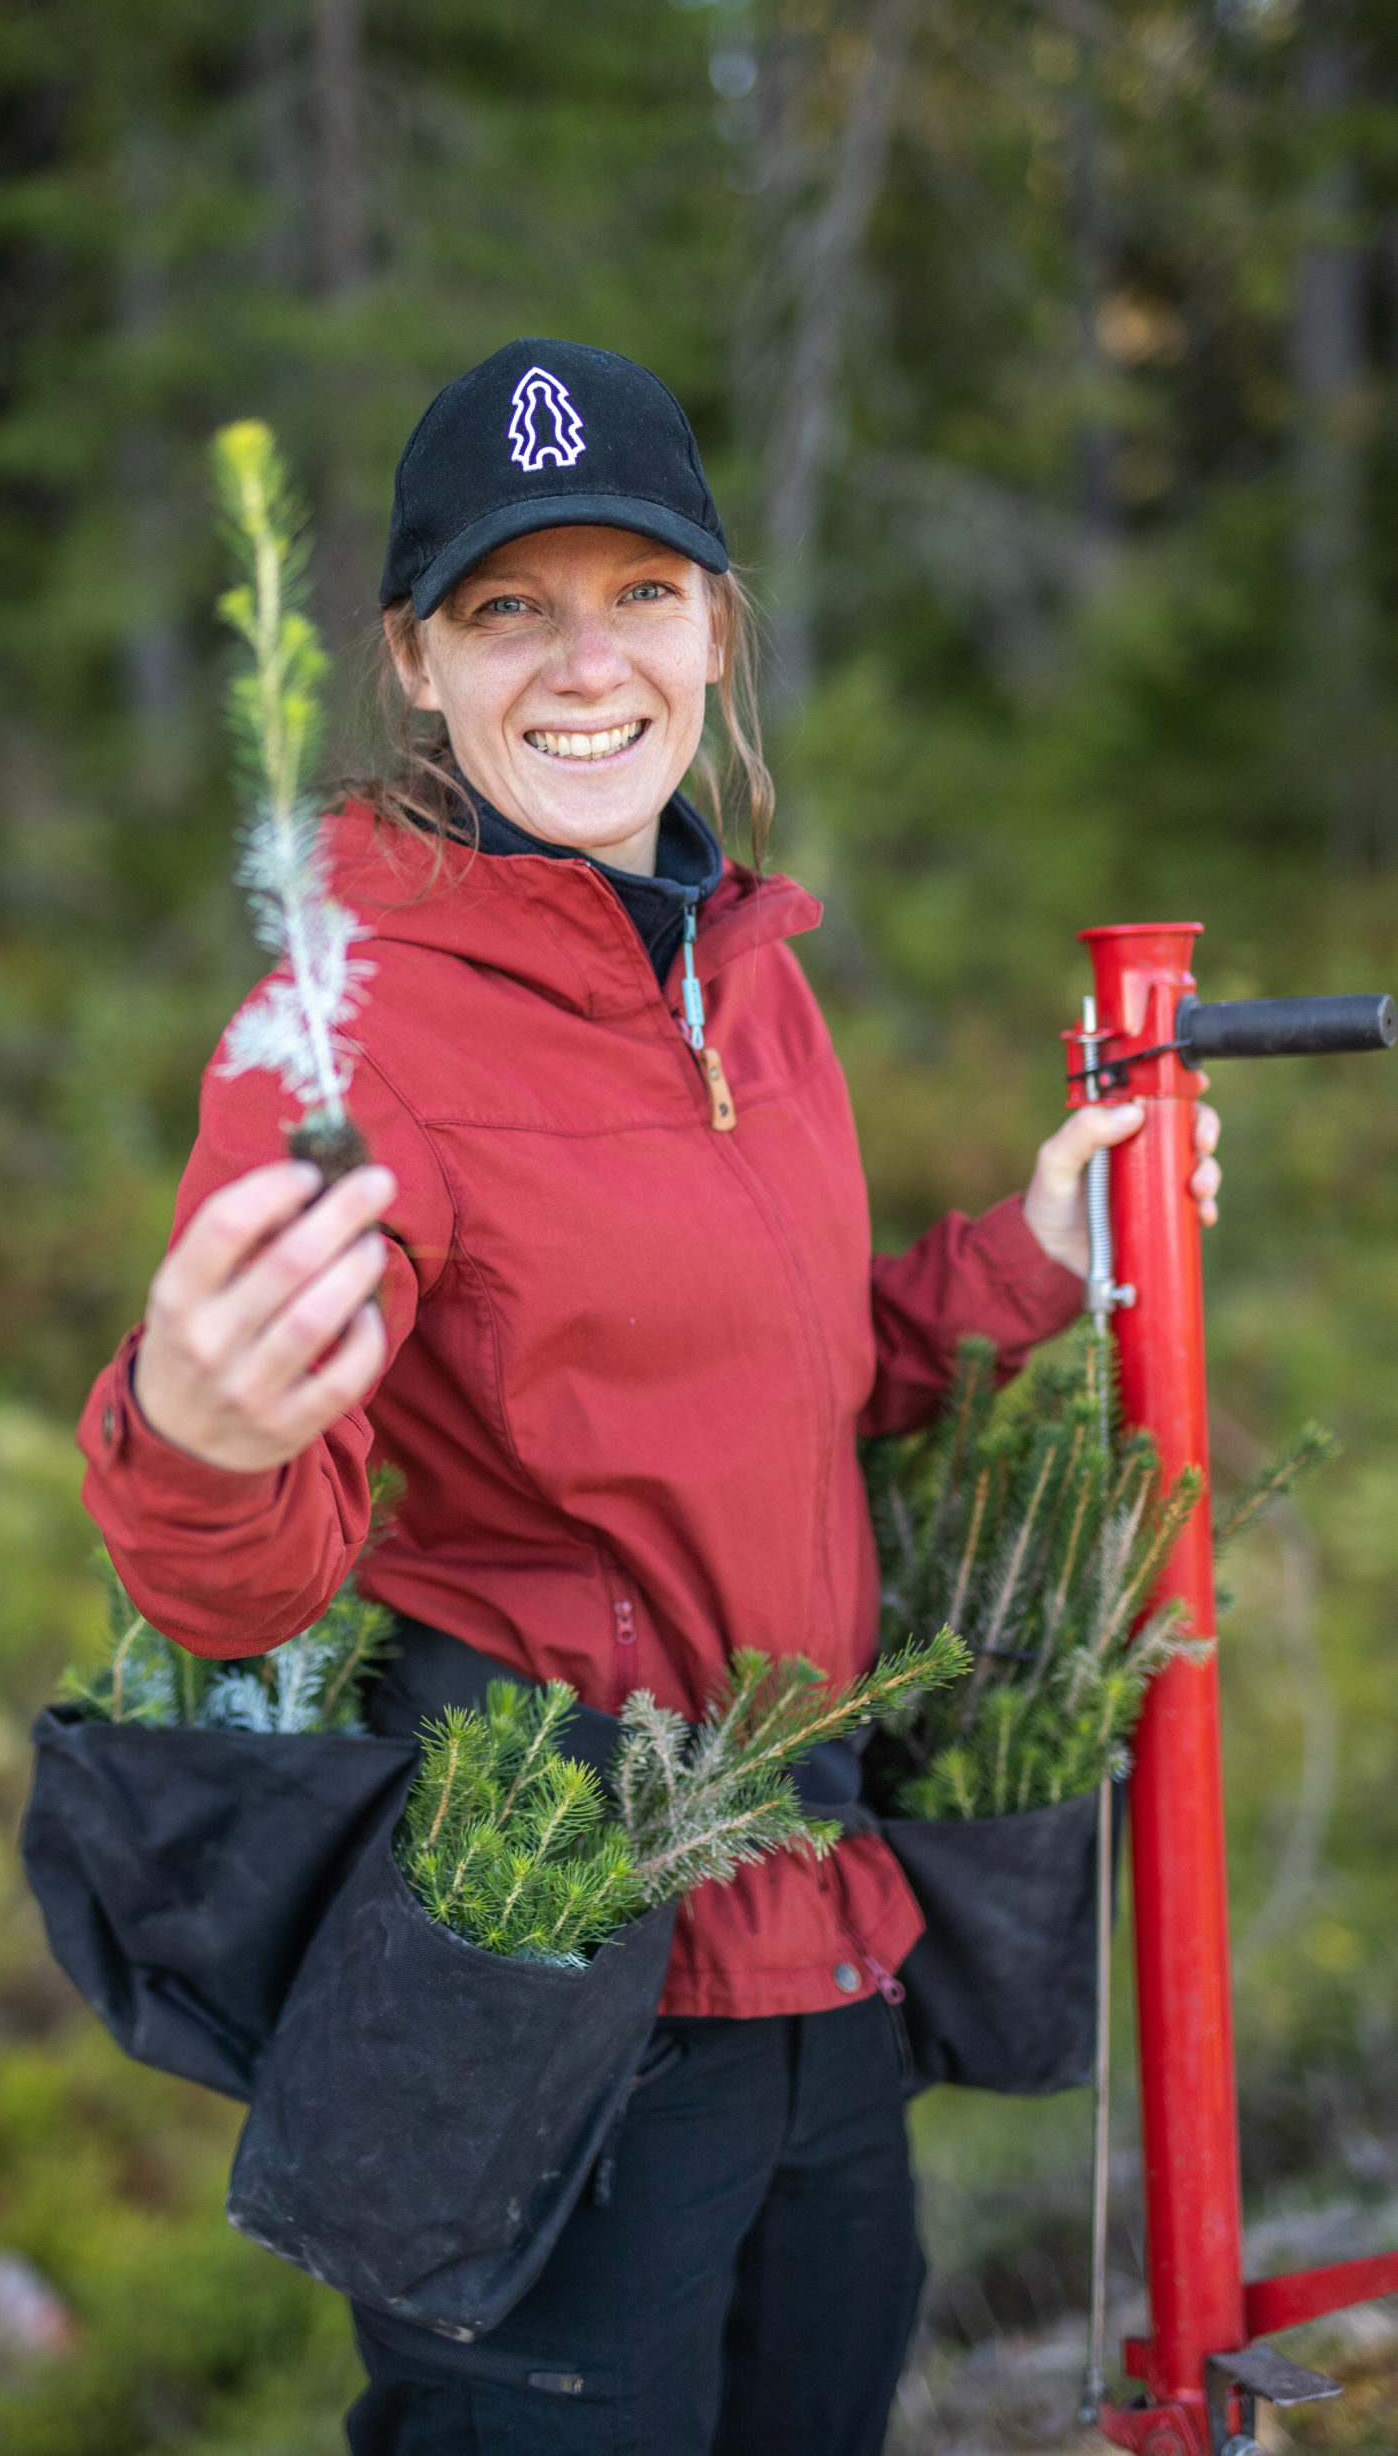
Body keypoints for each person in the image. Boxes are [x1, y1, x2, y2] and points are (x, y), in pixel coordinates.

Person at [78, 339, 1221, 2456]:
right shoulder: (340, 1034)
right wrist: (200, 1436)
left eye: (636, 589)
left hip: (822, 1945)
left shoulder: (741, 966)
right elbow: (245, 1560)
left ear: (715, 624)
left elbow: (790, 1374)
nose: (578, 660)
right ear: (412, 660)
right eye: (508, 605)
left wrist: (1028, 1266)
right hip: (553, 1982)